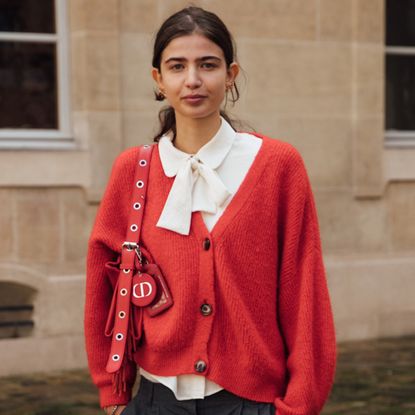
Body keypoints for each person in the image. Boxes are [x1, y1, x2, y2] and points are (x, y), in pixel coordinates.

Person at [84, 6, 336, 415]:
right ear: (158, 80)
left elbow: (305, 292)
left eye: (208, 65)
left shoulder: (277, 165)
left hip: (249, 403)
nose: (193, 80)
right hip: (154, 401)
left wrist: (299, 406)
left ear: (231, 74)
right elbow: (102, 285)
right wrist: (112, 392)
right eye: (177, 66)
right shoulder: (132, 170)